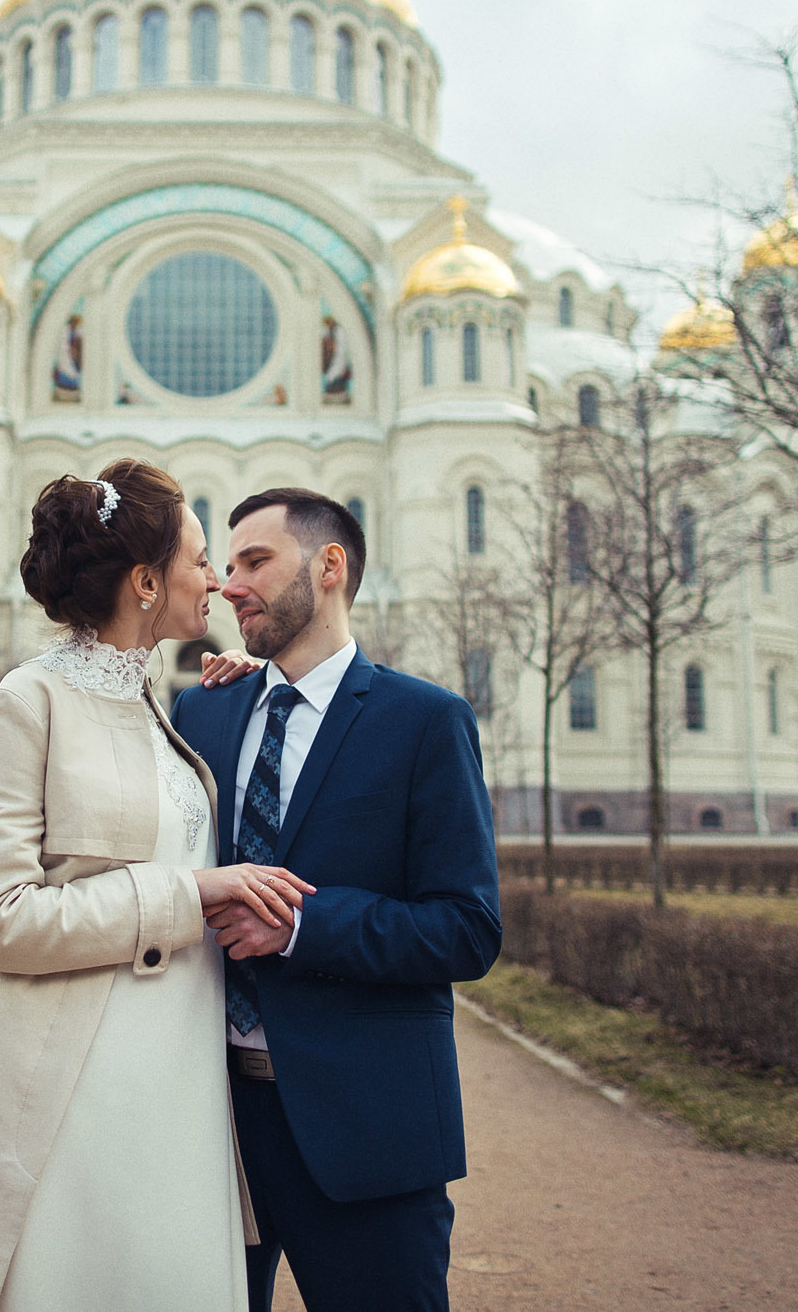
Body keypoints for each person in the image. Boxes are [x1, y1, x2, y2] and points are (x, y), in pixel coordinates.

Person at [0, 460, 309, 1312]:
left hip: (181, 1078)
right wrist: (189, 896)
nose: (219, 580)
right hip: (72, 1083)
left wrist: (248, 688)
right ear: (146, 581)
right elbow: (0, 920)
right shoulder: (28, 702)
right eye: (201, 559)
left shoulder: (166, 707)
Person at [172, 488, 503, 1312]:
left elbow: (467, 930)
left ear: (329, 567)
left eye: (254, 562)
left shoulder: (426, 722)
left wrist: (298, 927)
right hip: (206, 1127)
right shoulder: (202, 711)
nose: (227, 584)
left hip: (368, 1130)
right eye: (226, 563)